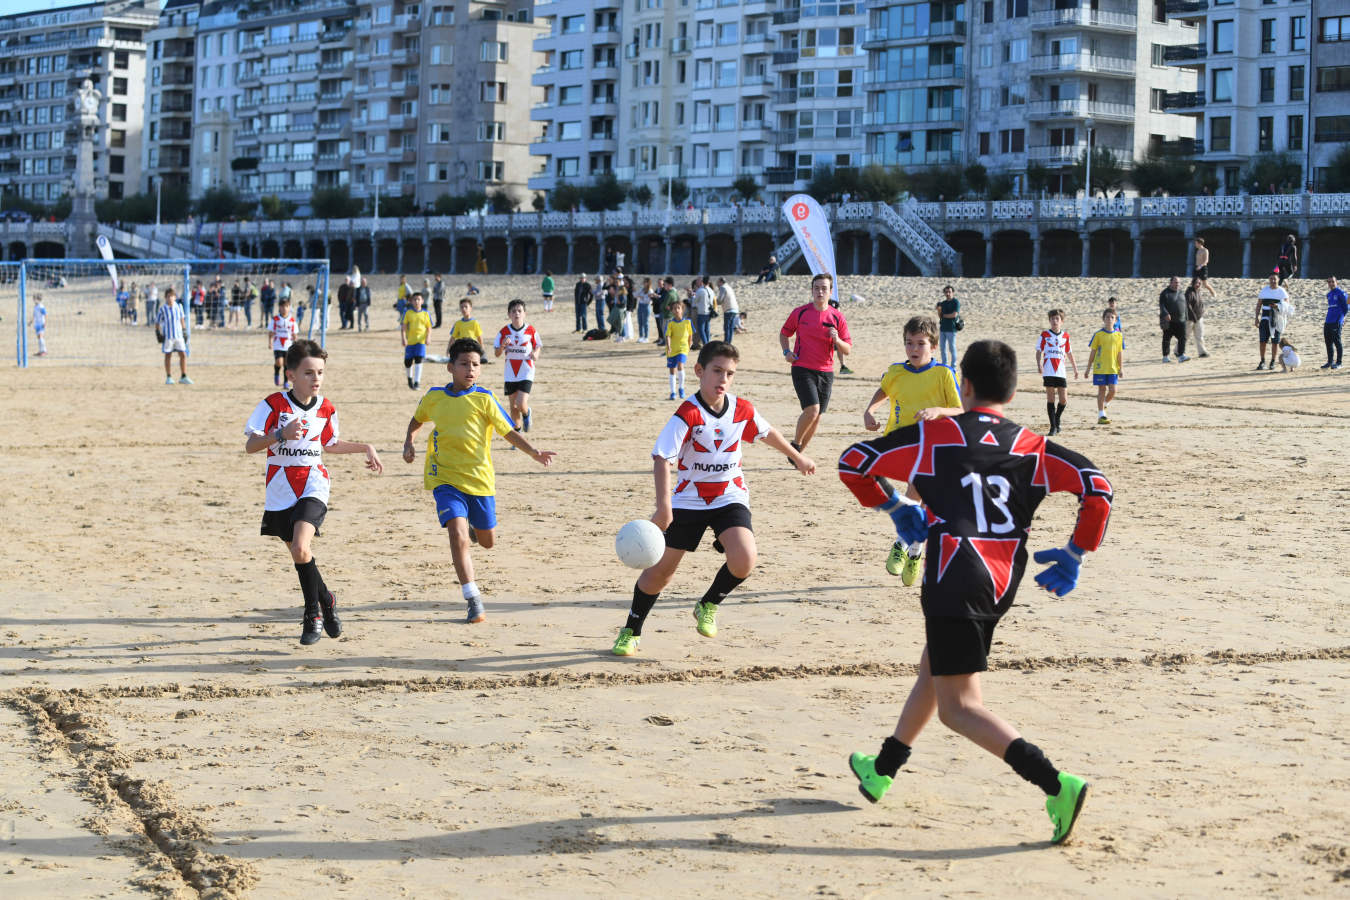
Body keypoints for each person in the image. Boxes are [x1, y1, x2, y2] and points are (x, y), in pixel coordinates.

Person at [838, 338, 1113, 846]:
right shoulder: (1031, 445)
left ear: (963, 385)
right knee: (936, 666)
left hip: (952, 573)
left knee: (959, 707)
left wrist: (894, 507)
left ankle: (1057, 785)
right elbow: (1097, 487)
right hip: (1001, 579)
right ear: (1013, 390)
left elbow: (853, 461)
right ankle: (883, 767)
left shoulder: (934, 436)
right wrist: (1076, 552)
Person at [611, 340, 815, 657]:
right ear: (699, 371)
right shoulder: (687, 414)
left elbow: (766, 432)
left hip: (729, 496)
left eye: (729, 374)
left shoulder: (741, 408)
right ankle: (631, 631)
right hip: (688, 501)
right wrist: (664, 507)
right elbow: (662, 458)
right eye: (717, 371)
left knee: (745, 558)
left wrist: (796, 456)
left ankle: (708, 603)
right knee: (660, 574)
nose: (723, 379)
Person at [402, 338, 556, 624]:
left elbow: (508, 431)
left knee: (487, 542)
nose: (470, 369)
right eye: (464, 364)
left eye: (475, 364)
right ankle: (473, 598)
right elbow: (417, 419)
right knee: (457, 534)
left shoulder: (485, 399)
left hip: (480, 480)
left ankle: (475, 528)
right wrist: (409, 442)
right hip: (444, 478)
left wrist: (534, 452)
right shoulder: (434, 397)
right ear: (450, 367)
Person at [244, 339, 383, 645]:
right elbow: (251, 445)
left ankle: (312, 615)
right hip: (280, 488)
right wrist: (279, 434)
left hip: (313, 483)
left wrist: (366, 447)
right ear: (291, 375)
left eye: (320, 372)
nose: (316, 378)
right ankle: (327, 599)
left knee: (299, 546)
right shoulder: (273, 405)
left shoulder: (326, 407)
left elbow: (330, 444)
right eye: (308, 372)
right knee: (301, 553)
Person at [861, 315, 963, 585]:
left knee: (923, 497)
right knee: (919, 491)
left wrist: (938, 410)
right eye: (909, 343)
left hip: (935, 445)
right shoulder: (896, 371)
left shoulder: (944, 374)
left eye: (920, 343)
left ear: (934, 347)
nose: (914, 348)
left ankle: (911, 549)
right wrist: (870, 410)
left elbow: (961, 409)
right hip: (901, 443)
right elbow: (884, 390)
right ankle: (908, 546)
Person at [779, 273, 853, 453]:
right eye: (817, 288)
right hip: (802, 368)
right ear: (812, 290)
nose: (820, 292)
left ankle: (797, 456)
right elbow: (784, 334)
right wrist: (787, 352)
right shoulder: (800, 312)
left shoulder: (837, 317)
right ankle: (795, 445)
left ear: (830, 292)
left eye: (824, 288)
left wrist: (837, 340)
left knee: (817, 417)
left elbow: (847, 349)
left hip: (826, 371)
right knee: (812, 410)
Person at [494, 299, 541, 432]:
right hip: (510, 372)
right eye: (513, 311)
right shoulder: (504, 331)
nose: (517, 314)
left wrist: (536, 354)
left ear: (525, 313)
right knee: (513, 406)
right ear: (509, 314)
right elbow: (497, 353)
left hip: (526, 371)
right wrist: (502, 345)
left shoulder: (530, 330)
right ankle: (517, 432)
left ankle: (526, 413)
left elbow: (538, 345)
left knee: (520, 403)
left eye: (520, 311)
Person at [1035, 308, 1079, 437]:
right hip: (1048, 370)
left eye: (1057, 319)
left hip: (1061, 371)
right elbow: (1039, 351)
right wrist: (1039, 364)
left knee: (1063, 399)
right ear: (1049, 321)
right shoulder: (1045, 335)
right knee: (1051, 398)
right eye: (1052, 319)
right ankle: (1053, 427)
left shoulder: (1065, 336)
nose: (1055, 321)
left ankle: (1057, 418)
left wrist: (1075, 368)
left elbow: (1069, 353)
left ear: (1061, 321)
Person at [1085, 308, 1124, 424]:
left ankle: (1105, 404)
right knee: (1102, 390)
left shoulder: (1119, 335)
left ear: (1115, 320)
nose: (1109, 319)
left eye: (1112, 317)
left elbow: (1119, 353)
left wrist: (1121, 368)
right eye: (1107, 317)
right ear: (1103, 319)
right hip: (1100, 367)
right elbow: (1093, 352)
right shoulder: (1098, 334)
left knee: (1113, 390)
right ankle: (1101, 415)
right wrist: (1088, 368)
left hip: (1113, 368)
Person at [156, 288, 192, 385]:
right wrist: (158, 333)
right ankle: (169, 376)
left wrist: (184, 331)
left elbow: (182, 320)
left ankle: (183, 376)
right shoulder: (163, 309)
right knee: (168, 355)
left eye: (172, 296)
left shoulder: (179, 307)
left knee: (183, 354)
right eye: (168, 296)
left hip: (178, 336)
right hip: (168, 337)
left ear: (175, 297)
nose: (170, 298)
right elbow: (157, 322)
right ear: (165, 298)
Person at [1255, 273, 1289, 371]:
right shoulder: (1264, 291)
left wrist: (1277, 306)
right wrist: (1256, 318)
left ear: (1278, 280)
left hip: (1277, 318)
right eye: (1271, 279)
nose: (1273, 281)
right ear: (1269, 280)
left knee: (1275, 342)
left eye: (1275, 279)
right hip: (1265, 318)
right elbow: (1259, 305)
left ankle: (1273, 362)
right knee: (1262, 341)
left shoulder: (1282, 292)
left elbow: (1287, 306)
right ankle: (1262, 361)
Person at [401, 292, 432, 389]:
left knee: (419, 360)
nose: (417, 301)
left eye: (419, 299)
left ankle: (417, 382)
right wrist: (403, 338)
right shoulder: (408, 313)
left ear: (422, 301)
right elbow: (404, 327)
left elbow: (429, 327)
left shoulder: (426, 313)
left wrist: (428, 337)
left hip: (421, 341)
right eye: (415, 299)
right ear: (411, 301)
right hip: (410, 341)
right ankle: (409, 378)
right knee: (408, 362)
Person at [664, 298, 693, 400]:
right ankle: (673, 392)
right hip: (672, 349)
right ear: (672, 311)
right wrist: (668, 346)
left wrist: (689, 344)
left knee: (680, 366)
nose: (676, 310)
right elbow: (668, 336)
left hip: (683, 348)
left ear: (682, 309)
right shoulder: (670, 323)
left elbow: (690, 334)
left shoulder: (687, 322)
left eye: (678, 308)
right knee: (672, 371)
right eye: (674, 308)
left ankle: (681, 388)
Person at [268, 296, 298, 388]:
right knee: (279, 362)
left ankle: (285, 382)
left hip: (288, 345)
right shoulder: (275, 319)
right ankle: (276, 373)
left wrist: (296, 344)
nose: (284, 308)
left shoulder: (292, 320)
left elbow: (294, 334)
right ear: (279, 307)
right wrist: (270, 342)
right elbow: (271, 332)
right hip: (278, 345)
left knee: (287, 364)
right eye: (282, 306)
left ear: (289, 308)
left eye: (286, 306)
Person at [1158, 275, 1188, 363]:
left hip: (1181, 320)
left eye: (1178, 282)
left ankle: (1181, 355)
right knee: (1167, 339)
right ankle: (1165, 356)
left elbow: (1185, 306)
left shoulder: (1181, 292)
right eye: (1175, 282)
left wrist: (1186, 317)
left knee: (1182, 338)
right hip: (1169, 321)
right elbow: (1162, 305)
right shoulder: (1165, 293)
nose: (1177, 284)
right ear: (1171, 283)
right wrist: (1166, 313)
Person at [1323, 275, 1346, 370]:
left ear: (1336, 282)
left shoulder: (1341, 293)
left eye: (1333, 281)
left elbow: (1347, 307)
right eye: (1329, 282)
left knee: (1337, 341)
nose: (1331, 283)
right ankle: (1330, 362)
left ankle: (1339, 363)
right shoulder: (1328, 294)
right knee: (1328, 342)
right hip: (1328, 321)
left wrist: (1341, 319)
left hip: (1336, 321)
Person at [936, 285, 961, 367]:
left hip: (951, 328)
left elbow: (954, 315)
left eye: (949, 292)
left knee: (952, 348)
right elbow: (940, 316)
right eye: (946, 292)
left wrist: (944, 315)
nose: (948, 294)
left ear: (953, 292)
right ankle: (944, 364)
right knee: (942, 348)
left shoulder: (956, 302)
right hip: (943, 328)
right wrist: (939, 310)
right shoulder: (943, 303)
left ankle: (953, 365)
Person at [1184, 277, 1209, 358]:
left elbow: (1200, 304)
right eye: (1196, 283)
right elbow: (1187, 306)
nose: (1198, 285)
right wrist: (1193, 317)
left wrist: (1202, 312)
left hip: (1199, 318)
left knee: (1200, 336)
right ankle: (1178, 351)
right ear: (1192, 283)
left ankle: (1202, 352)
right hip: (1189, 319)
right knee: (1186, 336)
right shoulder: (1189, 292)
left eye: (1199, 283)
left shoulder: (1198, 292)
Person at [691, 277, 714, 348]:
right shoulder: (711, 290)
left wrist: (693, 295)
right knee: (707, 329)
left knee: (701, 329)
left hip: (702, 312)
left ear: (702, 282)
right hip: (709, 312)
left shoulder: (700, 290)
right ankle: (708, 343)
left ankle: (706, 344)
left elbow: (694, 301)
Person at [717, 278, 740, 344]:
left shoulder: (722, 288)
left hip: (728, 309)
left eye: (718, 282)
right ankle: (729, 342)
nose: (717, 284)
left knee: (727, 327)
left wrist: (714, 301)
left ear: (721, 282)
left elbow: (720, 300)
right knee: (730, 327)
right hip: (735, 309)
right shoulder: (729, 287)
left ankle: (726, 342)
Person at [636, 277, 653, 343]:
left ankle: (646, 337)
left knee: (645, 322)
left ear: (648, 283)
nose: (643, 283)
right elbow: (636, 295)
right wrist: (641, 296)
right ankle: (641, 336)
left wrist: (642, 297)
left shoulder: (650, 290)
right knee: (640, 322)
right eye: (643, 282)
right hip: (640, 305)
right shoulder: (642, 289)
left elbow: (649, 300)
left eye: (645, 282)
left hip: (646, 306)